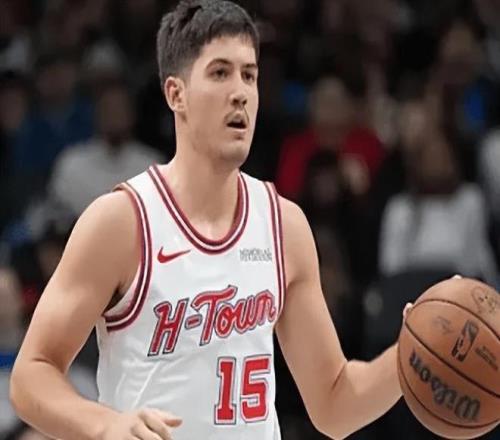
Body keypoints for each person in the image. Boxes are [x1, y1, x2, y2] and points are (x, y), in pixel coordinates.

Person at [10, 1, 404, 439]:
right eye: (220, 73)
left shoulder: (284, 226)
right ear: (175, 94)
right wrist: (105, 425)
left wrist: (410, 357)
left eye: (249, 75)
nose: (240, 92)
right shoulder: (123, 221)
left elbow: (334, 405)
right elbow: (31, 376)